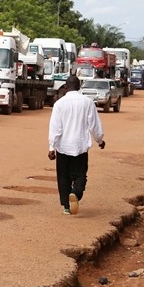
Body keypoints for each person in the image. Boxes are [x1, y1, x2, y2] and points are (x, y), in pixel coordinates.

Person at [48, 75, 105, 215]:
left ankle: (66, 206)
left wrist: (51, 147)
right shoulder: (88, 103)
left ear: (66, 87)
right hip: (80, 146)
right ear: (79, 87)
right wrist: (100, 141)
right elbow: (94, 125)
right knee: (80, 175)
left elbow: (55, 128)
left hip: (63, 146)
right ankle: (75, 193)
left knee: (63, 176)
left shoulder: (59, 104)